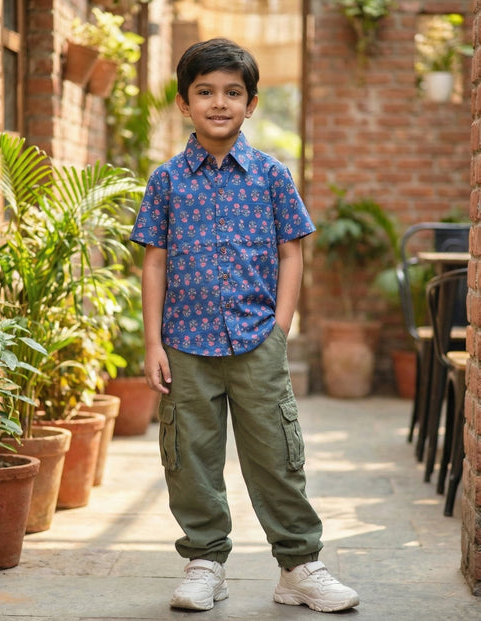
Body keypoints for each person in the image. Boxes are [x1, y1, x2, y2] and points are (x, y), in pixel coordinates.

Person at [130, 38, 359, 614]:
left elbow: (291, 253)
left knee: (277, 455)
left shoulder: (272, 175)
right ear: (184, 103)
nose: (219, 103)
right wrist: (153, 342)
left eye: (232, 92)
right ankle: (204, 563)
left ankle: (299, 566)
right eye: (204, 91)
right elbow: (154, 262)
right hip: (185, 344)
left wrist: (280, 328)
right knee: (189, 457)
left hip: (257, 339)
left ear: (251, 104)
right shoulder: (166, 181)